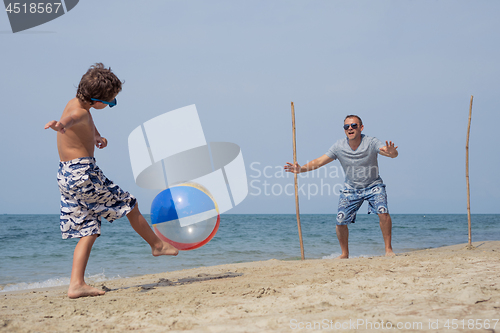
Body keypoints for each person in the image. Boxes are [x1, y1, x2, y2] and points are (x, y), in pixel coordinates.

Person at [44, 63, 178, 299]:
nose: (110, 105)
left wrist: (96, 136)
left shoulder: (77, 104)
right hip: (83, 173)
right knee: (129, 204)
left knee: (89, 229)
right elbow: (71, 119)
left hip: (65, 175)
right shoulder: (79, 112)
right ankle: (157, 246)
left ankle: (76, 284)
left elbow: (84, 119)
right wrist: (60, 125)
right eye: (111, 102)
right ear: (96, 100)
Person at [284, 115, 398, 258]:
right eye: (346, 126)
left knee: (383, 212)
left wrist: (392, 153)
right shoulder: (339, 146)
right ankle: (344, 254)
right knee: (340, 220)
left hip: (373, 185)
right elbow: (320, 161)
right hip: (350, 188)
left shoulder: (371, 142)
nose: (350, 128)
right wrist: (301, 169)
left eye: (354, 126)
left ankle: (388, 249)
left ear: (361, 128)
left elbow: (388, 152)